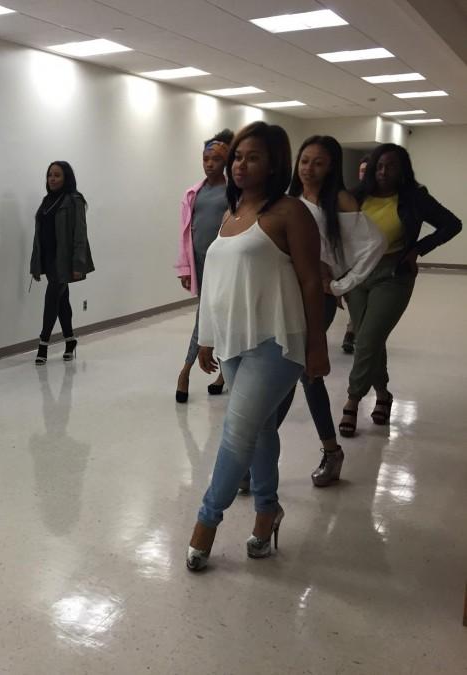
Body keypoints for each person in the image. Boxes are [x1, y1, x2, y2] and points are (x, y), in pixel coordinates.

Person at [185, 121, 328, 572]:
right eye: (238, 156)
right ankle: (267, 512)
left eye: (253, 157)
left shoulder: (290, 213)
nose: (241, 164)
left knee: (237, 432)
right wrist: (206, 336)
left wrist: (317, 347)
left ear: (273, 164)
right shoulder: (231, 212)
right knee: (262, 430)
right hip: (233, 340)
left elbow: (311, 282)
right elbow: (216, 284)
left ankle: (206, 522)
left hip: (277, 341)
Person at [278, 136, 385, 486]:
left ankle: (328, 450)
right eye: (304, 160)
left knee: (303, 369)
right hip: (283, 293)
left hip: (316, 298)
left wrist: (339, 284)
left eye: (318, 162)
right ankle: (271, 451)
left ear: (332, 166)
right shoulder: (289, 200)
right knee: (288, 371)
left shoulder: (339, 199)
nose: (308, 169)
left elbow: (375, 244)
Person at [339, 144, 461, 436]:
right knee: (372, 339)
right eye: (379, 166)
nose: (383, 172)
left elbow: (452, 224)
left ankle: (352, 401)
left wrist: (418, 249)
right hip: (357, 275)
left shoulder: (414, 197)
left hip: (393, 275)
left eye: (390, 166)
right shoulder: (356, 196)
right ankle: (383, 394)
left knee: (366, 339)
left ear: (402, 169)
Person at [173, 129, 233, 401]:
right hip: (200, 264)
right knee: (212, 316)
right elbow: (186, 233)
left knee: (209, 317)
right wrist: (185, 269)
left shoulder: (233, 192)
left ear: (226, 162)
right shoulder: (193, 193)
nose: (210, 163)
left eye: (216, 159)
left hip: (224, 267)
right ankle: (221, 372)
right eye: (206, 158)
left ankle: (185, 371)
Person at [29, 161, 94, 364]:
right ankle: (70, 340)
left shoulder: (74, 200)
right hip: (48, 259)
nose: (53, 179)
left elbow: (80, 234)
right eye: (50, 175)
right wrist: (36, 263)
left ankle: (43, 343)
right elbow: (39, 235)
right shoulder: (46, 201)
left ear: (66, 177)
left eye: (57, 175)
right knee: (61, 299)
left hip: (64, 261)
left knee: (52, 297)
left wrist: (78, 264)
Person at [341, 153, 374, 354]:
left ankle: (352, 333)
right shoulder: (350, 196)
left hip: (373, 258)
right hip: (350, 258)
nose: (365, 174)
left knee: (366, 300)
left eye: (368, 171)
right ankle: (354, 331)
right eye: (362, 171)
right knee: (353, 298)